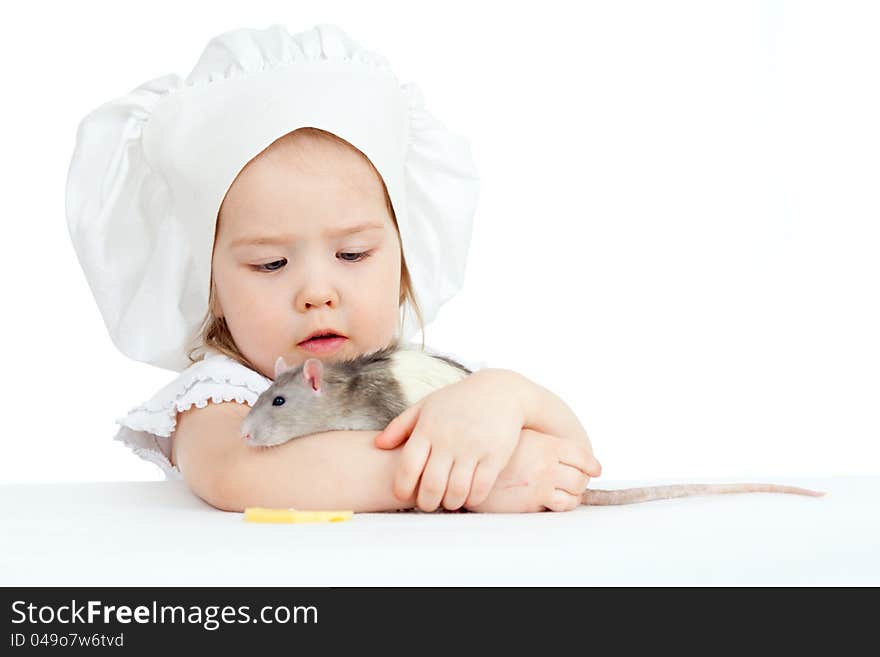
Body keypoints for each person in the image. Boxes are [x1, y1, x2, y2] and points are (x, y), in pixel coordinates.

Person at [65, 23, 601, 514]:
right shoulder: (222, 393)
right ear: (210, 288)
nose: (317, 293)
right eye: (270, 262)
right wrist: (460, 476)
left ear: (404, 258)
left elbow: (571, 462)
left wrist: (510, 396)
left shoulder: (424, 377)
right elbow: (237, 474)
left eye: (352, 255)